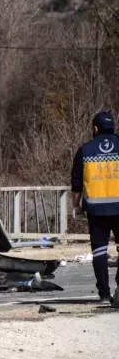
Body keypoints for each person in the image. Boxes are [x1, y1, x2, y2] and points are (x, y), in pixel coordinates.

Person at [71, 111, 119, 305]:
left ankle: (104, 295)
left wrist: (76, 204)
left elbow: (76, 182)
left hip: (96, 210)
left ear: (95, 129)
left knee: (99, 252)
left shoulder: (85, 150)